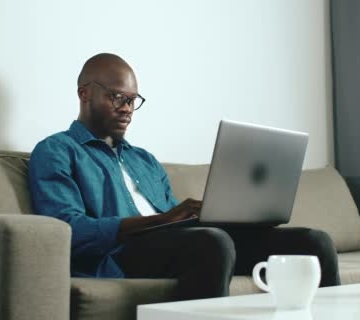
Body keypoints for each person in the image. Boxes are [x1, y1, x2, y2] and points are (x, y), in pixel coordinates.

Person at [28, 53, 341, 300]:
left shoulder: (144, 160)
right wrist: (167, 219)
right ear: (84, 93)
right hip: (119, 255)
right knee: (211, 242)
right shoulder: (57, 151)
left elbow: (180, 228)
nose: (127, 109)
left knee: (312, 241)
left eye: (133, 100)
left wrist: (225, 217)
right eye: (116, 97)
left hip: (177, 246)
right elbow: (70, 230)